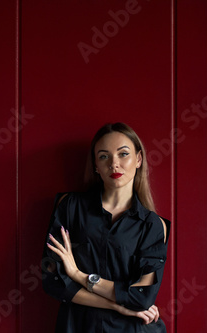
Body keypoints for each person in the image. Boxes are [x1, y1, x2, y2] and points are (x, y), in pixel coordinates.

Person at [42, 122, 170, 332]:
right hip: (78, 326)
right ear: (95, 165)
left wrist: (77, 274)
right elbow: (53, 281)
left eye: (123, 154)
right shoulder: (70, 207)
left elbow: (142, 297)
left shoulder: (154, 226)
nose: (114, 164)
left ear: (138, 159)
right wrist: (119, 306)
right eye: (104, 156)